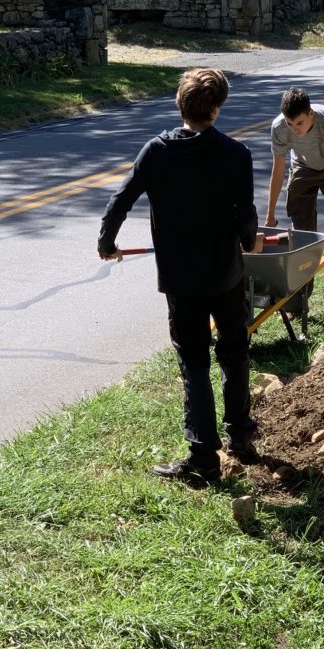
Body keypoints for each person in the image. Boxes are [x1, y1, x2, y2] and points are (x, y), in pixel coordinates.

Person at [97, 67, 260, 484]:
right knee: (234, 350)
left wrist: (106, 243)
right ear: (217, 108)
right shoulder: (236, 154)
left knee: (194, 361)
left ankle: (204, 456)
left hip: (182, 279)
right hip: (226, 273)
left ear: (179, 104)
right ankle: (241, 435)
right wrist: (249, 242)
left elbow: (122, 199)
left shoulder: (157, 151)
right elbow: (245, 215)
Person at [265, 87, 324, 315]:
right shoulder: (279, 127)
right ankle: (300, 297)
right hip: (302, 167)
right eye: (290, 124)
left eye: (299, 123)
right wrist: (270, 214)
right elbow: (277, 169)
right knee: (302, 234)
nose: (294, 130)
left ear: (310, 114)